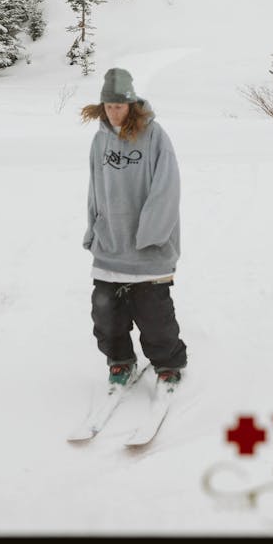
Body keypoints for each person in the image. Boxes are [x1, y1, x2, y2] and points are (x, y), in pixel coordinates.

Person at [81, 68, 187, 387]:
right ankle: (120, 360)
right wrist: (93, 229)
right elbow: (95, 190)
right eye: (109, 106)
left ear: (131, 104)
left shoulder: (155, 136)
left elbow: (167, 188)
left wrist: (150, 235)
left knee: (154, 314)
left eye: (119, 106)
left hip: (148, 248)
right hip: (110, 245)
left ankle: (167, 364)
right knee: (106, 313)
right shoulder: (99, 140)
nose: (114, 112)